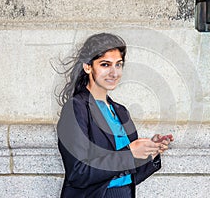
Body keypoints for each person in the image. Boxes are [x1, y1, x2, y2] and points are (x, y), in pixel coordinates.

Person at [56, 33, 174, 198]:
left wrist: (149, 153)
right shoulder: (76, 108)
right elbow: (78, 172)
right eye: (105, 64)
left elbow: (129, 176)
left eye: (118, 65)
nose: (114, 73)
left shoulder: (120, 111)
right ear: (87, 67)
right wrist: (130, 154)